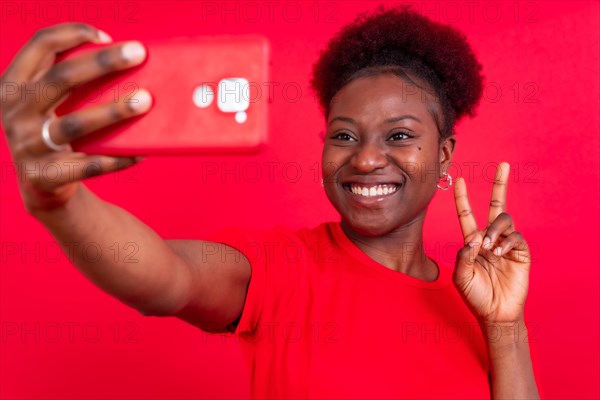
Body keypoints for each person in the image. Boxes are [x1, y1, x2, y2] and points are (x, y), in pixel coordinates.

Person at [0, 5, 539, 399]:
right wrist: (61, 201)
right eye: (344, 136)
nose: (366, 160)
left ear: (444, 154)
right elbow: (164, 277)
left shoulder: (476, 304)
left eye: (399, 136)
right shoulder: (285, 268)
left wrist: (504, 327)